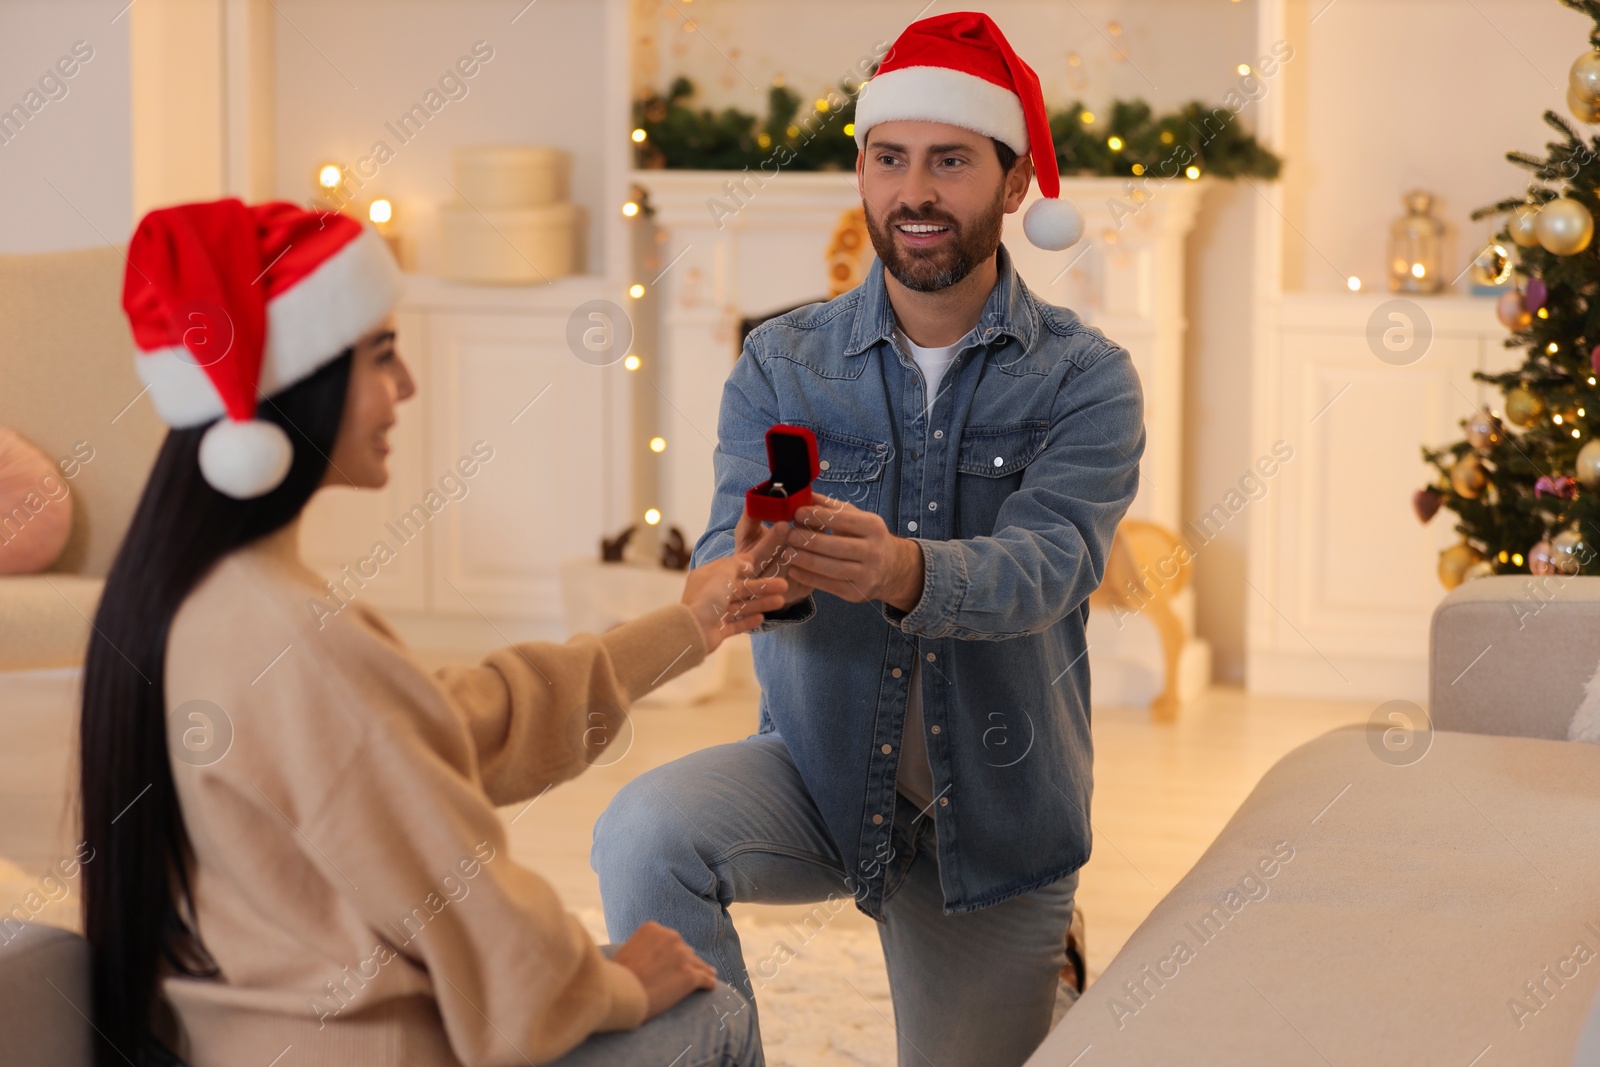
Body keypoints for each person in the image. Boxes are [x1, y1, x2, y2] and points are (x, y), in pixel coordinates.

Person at [78, 198, 784, 1067]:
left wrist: (686, 627)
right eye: (380, 355)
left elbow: (443, 725)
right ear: (298, 381)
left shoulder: (188, 592)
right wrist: (619, 985)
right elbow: (476, 911)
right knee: (714, 1013)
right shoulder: (294, 638)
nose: (407, 385)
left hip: (240, 1035)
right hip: (364, 1049)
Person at [591, 11, 1145, 1066]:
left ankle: (1053, 977)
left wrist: (902, 567)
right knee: (642, 828)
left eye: (950, 161)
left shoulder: (1085, 378)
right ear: (860, 172)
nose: (914, 192)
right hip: (813, 771)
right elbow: (717, 547)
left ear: (1015, 182)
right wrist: (747, 570)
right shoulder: (779, 361)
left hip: (992, 822)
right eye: (887, 159)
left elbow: (1053, 564)